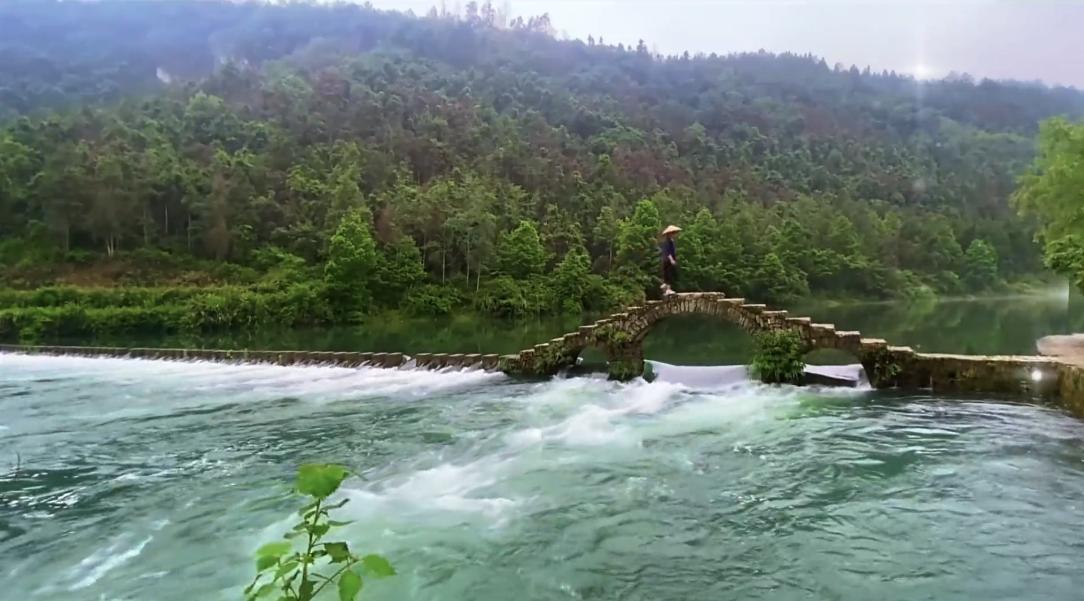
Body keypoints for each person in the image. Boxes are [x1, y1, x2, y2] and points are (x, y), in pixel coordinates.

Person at [660, 225, 681, 295]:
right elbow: (668, 252)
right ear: (669, 234)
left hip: (666, 260)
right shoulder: (668, 242)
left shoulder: (670, 241)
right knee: (669, 275)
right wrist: (672, 260)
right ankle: (668, 289)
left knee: (667, 275)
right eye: (673, 233)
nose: (674, 235)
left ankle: (665, 287)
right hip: (667, 260)